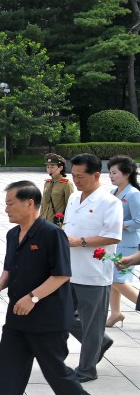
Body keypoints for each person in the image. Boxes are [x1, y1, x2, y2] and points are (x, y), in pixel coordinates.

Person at [0, 181, 107, 395]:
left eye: (11, 203)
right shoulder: (13, 234)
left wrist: (32, 297)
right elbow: (10, 267)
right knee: (8, 370)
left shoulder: (51, 233)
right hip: (17, 316)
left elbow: (62, 275)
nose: (6, 208)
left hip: (48, 319)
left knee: (56, 372)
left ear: (29, 203)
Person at [64, 153, 120, 382]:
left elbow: (113, 236)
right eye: (73, 175)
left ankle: (87, 369)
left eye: (80, 176)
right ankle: (101, 341)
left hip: (94, 273)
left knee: (91, 325)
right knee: (63, 317)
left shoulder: (109, 202)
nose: (75, 180)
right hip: (68, 270)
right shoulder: (73, 199)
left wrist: (82, 242)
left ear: (96, 175)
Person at [106, 155, 140, 326]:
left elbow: (138, 221)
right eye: (110, 173)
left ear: (126, 174)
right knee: (113, 280)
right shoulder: (113, 192)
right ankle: (116, 314)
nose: (111, 176)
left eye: (114, 172)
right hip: (115, 243)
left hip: (129, 244)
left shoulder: (133, 194)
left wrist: (119, 224)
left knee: (117, 280)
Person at [41, 153, 74, 224]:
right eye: (48, 167)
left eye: (52, 167)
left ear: (61, 168)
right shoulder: (47, 183)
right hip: (44, 222)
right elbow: (43, 204)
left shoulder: (66, 184)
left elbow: (70, 206)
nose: (49, 169)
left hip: (56, 223)